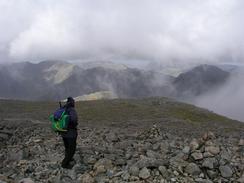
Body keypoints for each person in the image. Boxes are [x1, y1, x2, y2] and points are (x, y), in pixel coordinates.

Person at [61, 97, 78, 169]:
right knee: (72, 149)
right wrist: (75, 124)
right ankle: (64, 164)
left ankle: (69, 159)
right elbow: (74, 120)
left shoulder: (63, 108)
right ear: (72, 102)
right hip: (71, 133)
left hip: (63, 132)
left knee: (67, 147)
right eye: (74, 102)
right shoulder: (71, 109)